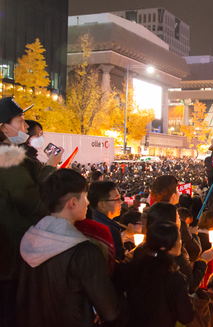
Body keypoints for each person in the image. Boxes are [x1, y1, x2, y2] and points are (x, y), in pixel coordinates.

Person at [16, 169, 123, 327]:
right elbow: (110, 311)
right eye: (85, 197)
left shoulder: (28, 239)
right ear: (72, 202)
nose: (87, 202)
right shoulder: (84, 252)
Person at [0, 97, 63, 326]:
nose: (26, 127)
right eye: (21, 120)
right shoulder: (6, 157)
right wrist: (49, 168)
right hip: (11, 258)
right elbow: (35, 203)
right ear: (3, 127)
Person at [125, 221, 196, 327]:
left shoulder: (130, 267)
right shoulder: (173, 278)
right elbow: (186, 316)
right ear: (165, 247)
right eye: (179, 239)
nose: (181, 242)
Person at [88, 181, 127, 262]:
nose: (121, 202)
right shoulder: (109, 230)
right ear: (102, 205)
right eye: (117, 199)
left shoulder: (89, 221)